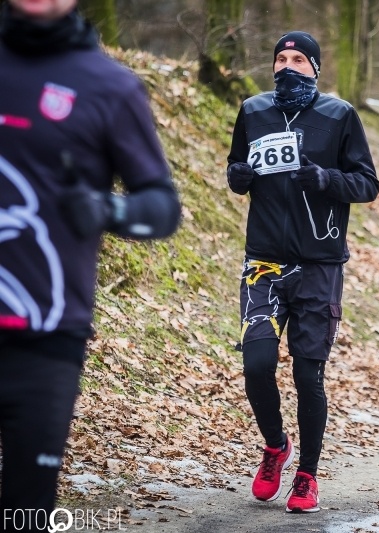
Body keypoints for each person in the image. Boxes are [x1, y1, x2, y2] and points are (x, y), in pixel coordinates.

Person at [0, 0, 181, 530]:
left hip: (49, 338)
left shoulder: (110, 87)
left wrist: (110, 209)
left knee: (24, 516)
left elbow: (162, 207)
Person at [226, 31, 379, 513]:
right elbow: (237, 163)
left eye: (298, 59)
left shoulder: (339, 115)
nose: (287, 65)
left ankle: (307, 475)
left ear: (315, 67)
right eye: (280, 59)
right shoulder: (253, 110)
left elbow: (367, 183)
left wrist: (327, 179)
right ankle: (275, 446)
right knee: (257, 365)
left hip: (318, 265)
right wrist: (237, 177)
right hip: (264, 264)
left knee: (308, 376)